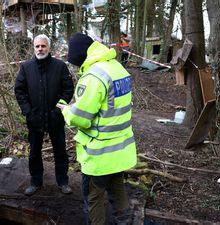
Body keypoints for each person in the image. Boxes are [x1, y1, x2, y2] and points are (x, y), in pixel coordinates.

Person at [59, 33, 137, 224]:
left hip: (100, 155)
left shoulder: (93, 76)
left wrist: (66, 110)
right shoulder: (117, 68)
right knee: (118, 190)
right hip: (120, 150)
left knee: (94, 197)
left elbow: (81, 118)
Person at [14, 34, 74, 196]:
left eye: (43, 46)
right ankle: (35, 182)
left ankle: (63, 182)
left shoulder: (60, 66)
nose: (40, 49)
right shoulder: (26, 67)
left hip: (55, 117)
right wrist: (28, 111)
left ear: (49, 47)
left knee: (60, 151)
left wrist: (58, 109)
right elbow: (19, 91)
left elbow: (68, 89)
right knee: (34, 151)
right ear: (34, 48)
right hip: (35, 118)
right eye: (37, 46)